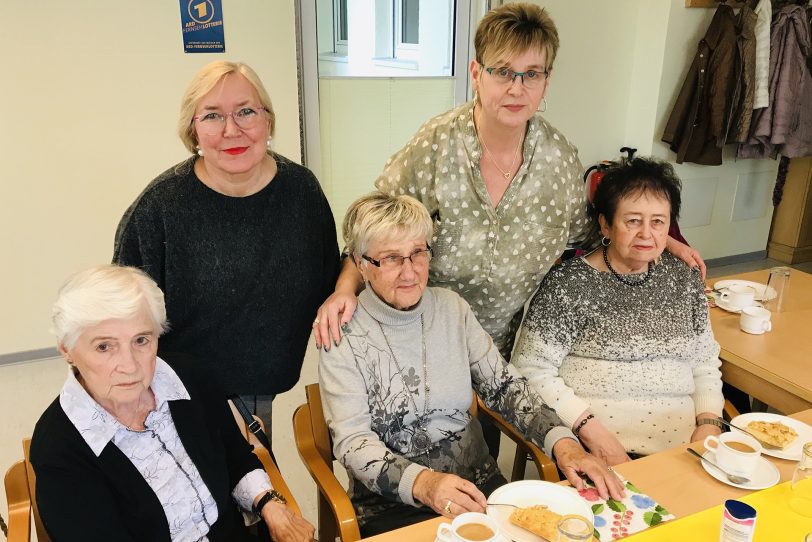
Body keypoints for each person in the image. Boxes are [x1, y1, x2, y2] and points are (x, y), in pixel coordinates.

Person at [313, 2, 703, 457]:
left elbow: (590, 234)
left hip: (506, 347)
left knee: (481, 457)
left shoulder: (558, 160)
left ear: (546, 82)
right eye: (503, 71)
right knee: (415, 454)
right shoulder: (434, 146)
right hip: (424, 334)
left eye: (531, 74)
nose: (516, 87)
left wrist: (660, 237)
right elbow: (374, 232)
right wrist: (344, 288)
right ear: (477, 73)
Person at [319, 193, 625, 537]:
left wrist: (564, 444)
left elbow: (505, 386)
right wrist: (425, 483)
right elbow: (354, 441)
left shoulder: (452, 309)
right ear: (361, 263)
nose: (410, 271)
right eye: (391, 258)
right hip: (392, 505)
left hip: (478, 487)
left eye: (418, 252)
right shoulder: (342, 332)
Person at [113, 61, 339, 438]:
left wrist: (348, 288)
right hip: (171, 398)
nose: (232, 130)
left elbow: (331, 278)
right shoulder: (159, 208)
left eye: (246, 111)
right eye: (213, 116)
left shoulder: (301, 192)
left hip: (258, 393)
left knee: (256, 490)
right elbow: (118, 318)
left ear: (268, 121)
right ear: (193, 130)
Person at [29, 265, 315, 541]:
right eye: (104, 346)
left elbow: (235, 455)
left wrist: (268, 503)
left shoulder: (189, 377)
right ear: (67, 348)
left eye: (141, 340)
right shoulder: (59, 446)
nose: (129, 366)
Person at [512, 157, 724, 465]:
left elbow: (704, 361)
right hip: (597, 447)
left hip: (686, 451)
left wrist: (709, 423)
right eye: (633, 221)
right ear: (606, 225)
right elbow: (531, 370)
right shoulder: (570, 285)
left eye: (658, 222)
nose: (646, 234)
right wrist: (591, 432)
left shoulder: (683, 279)